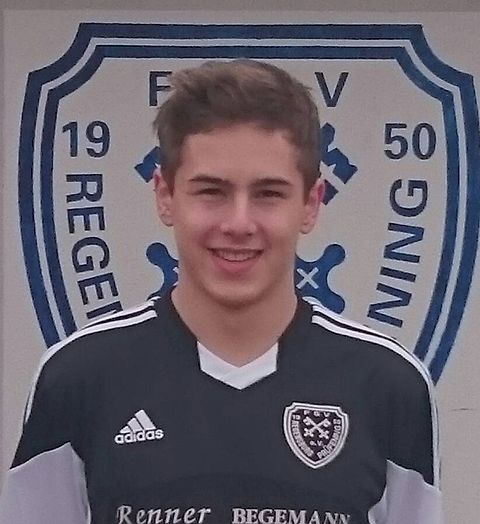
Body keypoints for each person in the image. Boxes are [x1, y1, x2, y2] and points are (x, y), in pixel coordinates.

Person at [0, 60, 441, 524]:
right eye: (211, 191)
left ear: (311, 204)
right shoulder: (78, 377)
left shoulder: (389, 385)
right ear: (165, 196)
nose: (238, 223)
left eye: (269, 194)